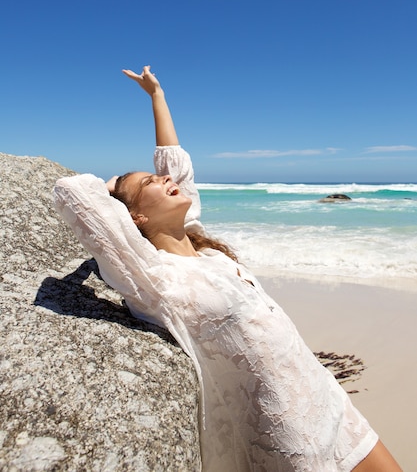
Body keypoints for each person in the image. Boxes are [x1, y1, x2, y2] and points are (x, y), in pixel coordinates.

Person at [54, 65, 402, 472]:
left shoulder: (208, 251)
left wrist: (157, 96)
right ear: (134, 219)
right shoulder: (154, 277)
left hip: (326, 397)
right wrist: (114, 186)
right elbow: (72, 193)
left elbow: (178, 166)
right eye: (151, 182)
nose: (168, 179)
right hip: (287, 431)